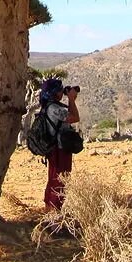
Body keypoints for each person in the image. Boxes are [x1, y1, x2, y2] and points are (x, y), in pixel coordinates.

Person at [39, 77, 80, 211]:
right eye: (60, 90)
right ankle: (54, 218)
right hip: (59, 150)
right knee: (59, 181)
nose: (62, 92)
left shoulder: (49, 106)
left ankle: (50, 213)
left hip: (55, 149)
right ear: (54, 92)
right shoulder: (54, 108)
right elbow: (74, 118)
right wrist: (72, 100)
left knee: (54, 180)